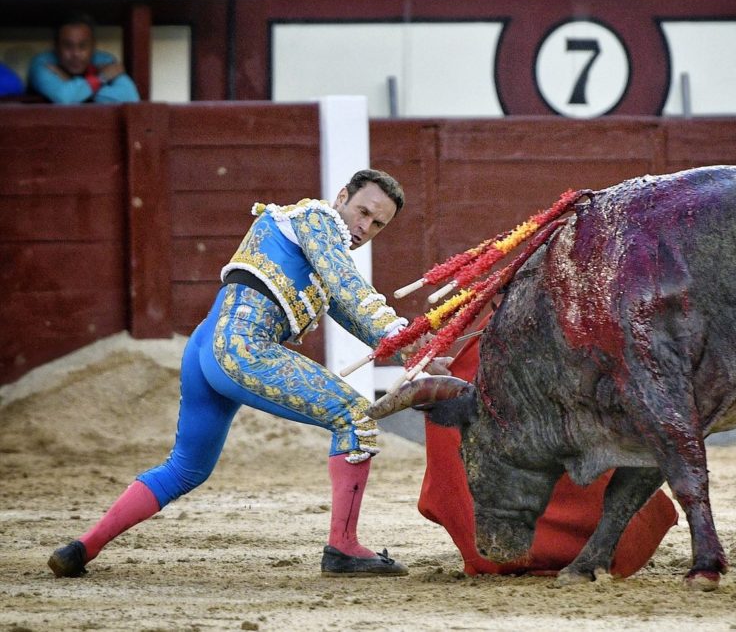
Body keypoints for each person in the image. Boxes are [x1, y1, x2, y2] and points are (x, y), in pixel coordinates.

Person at [48, 169, 450, 579]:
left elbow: (354, 314)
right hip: (243, 347)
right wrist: (412, 335)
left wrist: (420, 355)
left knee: (187, 467)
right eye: (362, 211)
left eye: (378, 223)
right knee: (355, 416)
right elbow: (349, 288)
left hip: (207, 347)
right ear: (342, 196)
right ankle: (343, 548)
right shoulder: (316, 219)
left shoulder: (315, 249)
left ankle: (82, 548)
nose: (364, 227)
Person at [28, 11, 139, 105]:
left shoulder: (104, 60)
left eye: (83, 46)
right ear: (56, 46)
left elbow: (130, 98)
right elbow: (64, 98)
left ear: (93, 46)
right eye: (67, 46)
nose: (76, 53)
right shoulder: (43, 63)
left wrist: (72, 83)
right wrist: (101, 78)